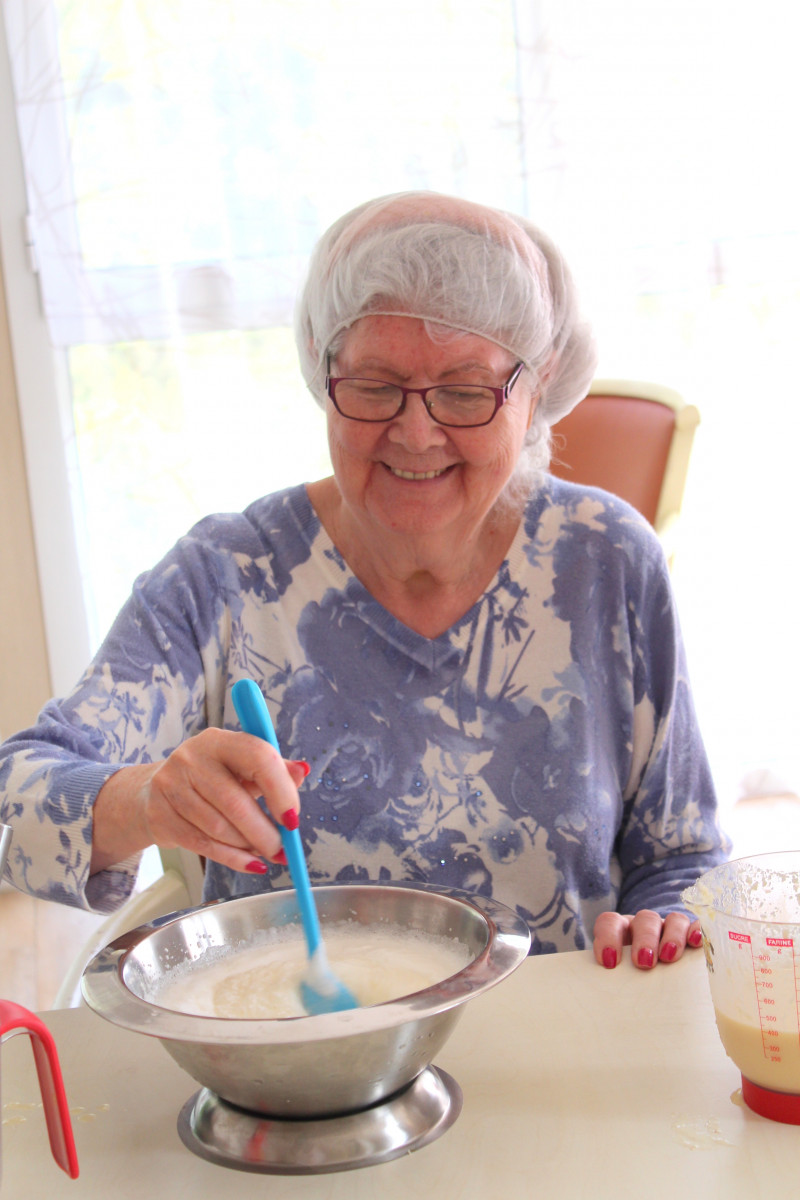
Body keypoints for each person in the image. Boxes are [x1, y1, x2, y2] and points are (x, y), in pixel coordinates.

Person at [0, 191, 728, 969]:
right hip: (292, 1060)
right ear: (322, 371)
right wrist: (146, 800)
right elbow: (13, 812)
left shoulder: (608, 560)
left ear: (538, 385)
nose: (416, 434)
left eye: (465, 391)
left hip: (556, 1047)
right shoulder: (226, 575)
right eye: (375, 385)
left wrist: (665, 920)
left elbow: (679, 858)